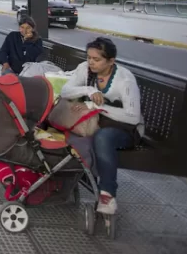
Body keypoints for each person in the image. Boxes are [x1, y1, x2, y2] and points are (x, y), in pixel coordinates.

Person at [60, 37, 143, 216]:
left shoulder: (125, 80)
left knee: (103, 138)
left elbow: (133, 117)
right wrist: (90, 90)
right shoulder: (85, 68)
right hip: (97, 121)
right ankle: (71, 177)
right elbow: (65, 91)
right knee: (68, 129)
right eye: (89, 57)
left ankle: (107, 194)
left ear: (111, 61)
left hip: (125, 128)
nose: (91, 62)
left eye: (96, 59)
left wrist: (96, 107)